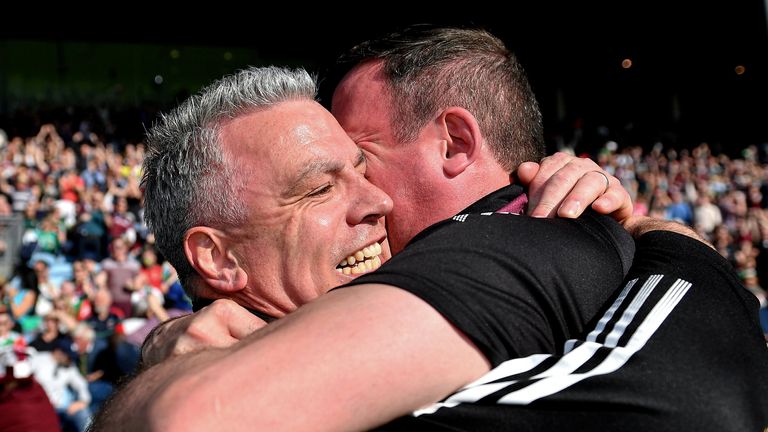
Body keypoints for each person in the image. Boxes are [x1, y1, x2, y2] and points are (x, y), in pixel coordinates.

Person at [95, 29, 767, 431]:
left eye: (364, 163)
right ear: (217, 258)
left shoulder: (529, 244)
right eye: (321, 186)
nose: (376, 204)